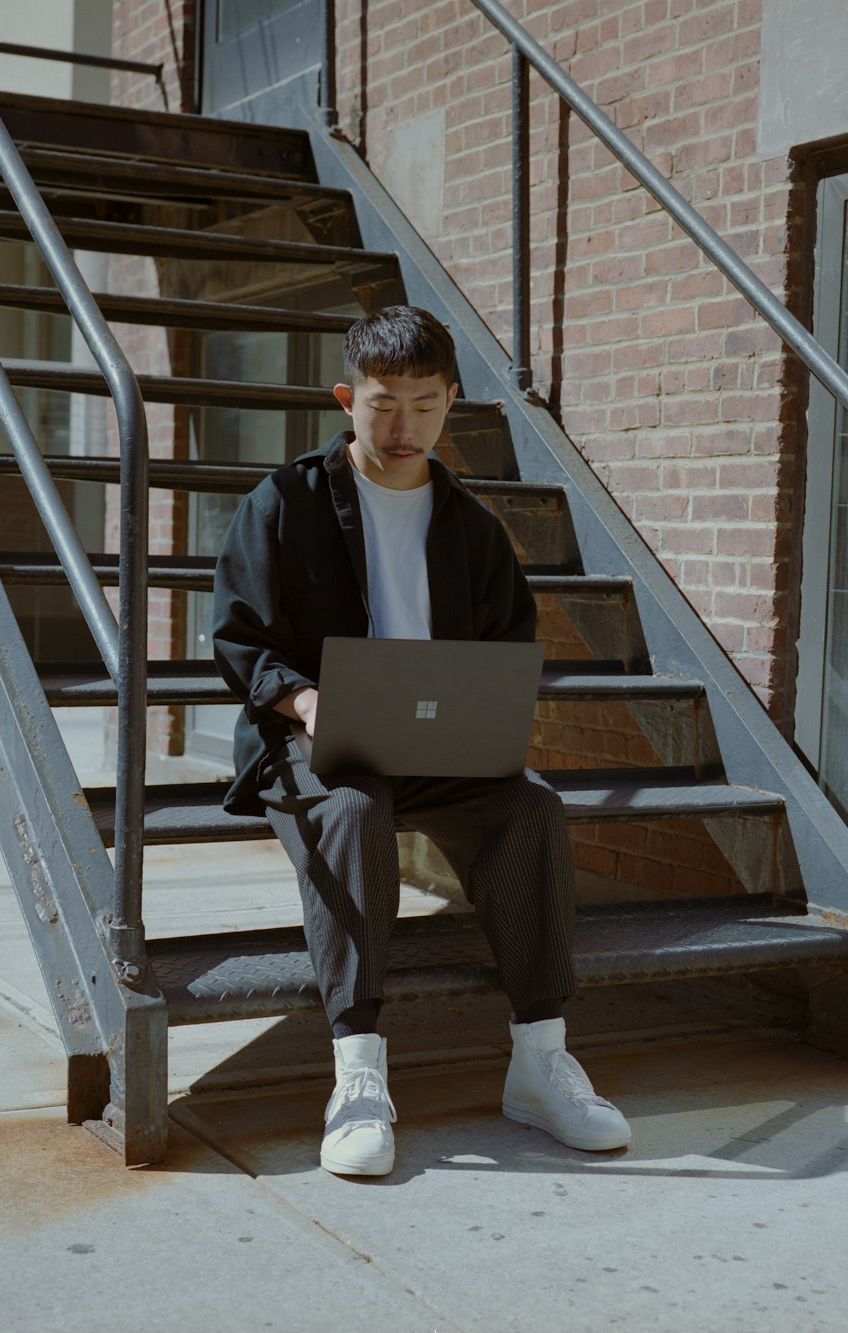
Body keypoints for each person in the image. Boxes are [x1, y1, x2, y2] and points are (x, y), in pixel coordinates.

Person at [213, 305, 631, 1176]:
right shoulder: (284, 502)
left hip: (438, 746)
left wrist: (487, 713)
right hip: (314, 742)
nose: (404, 426)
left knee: (529, 808)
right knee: (358, 807)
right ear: (346, 399)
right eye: (382, 403)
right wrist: (304, 698)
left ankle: (540, 1061)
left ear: (452, 402)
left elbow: (510, 646)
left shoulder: (472, 525)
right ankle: (358, 1073)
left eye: (424, 405)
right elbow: (242, 637)